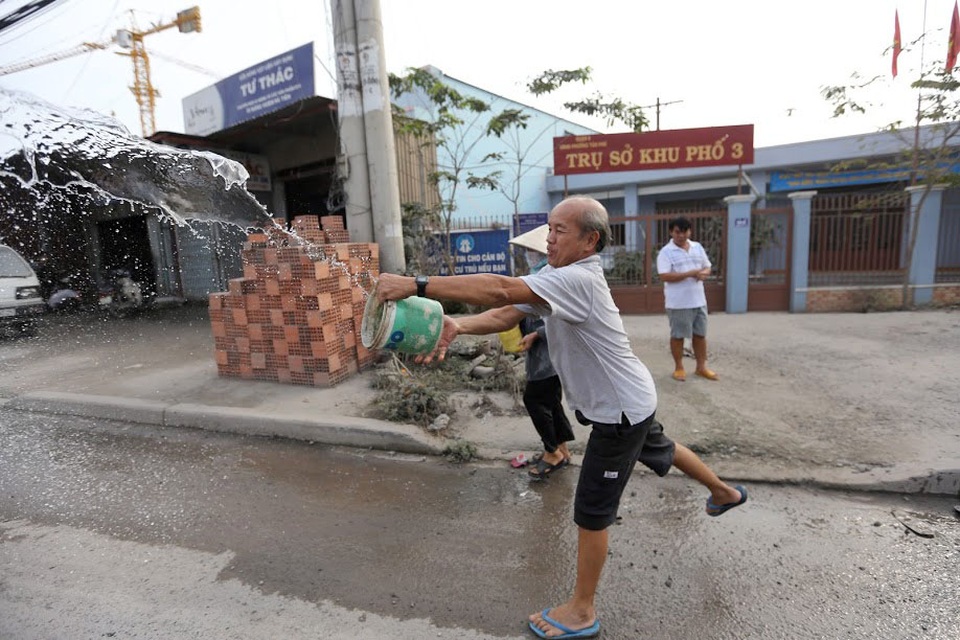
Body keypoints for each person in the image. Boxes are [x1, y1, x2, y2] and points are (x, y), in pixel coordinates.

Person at [376, 196, 746, 639]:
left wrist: (416, 284)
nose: (549, 239)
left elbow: (499, 288)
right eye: (548, 229)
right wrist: (459, 326)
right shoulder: (554, 276)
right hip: (633, 399)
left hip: (619, 413)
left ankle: (582, 610)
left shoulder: (580, 280)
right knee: (661, 449)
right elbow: (505, 311)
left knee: (592, 510)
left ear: (590, 240)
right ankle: (723, 492)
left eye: (559, 231)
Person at [510, 224, 574, 479]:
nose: (529, 256)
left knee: (534, 400)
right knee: (551, 402)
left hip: (547, 358)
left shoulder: (549, 279)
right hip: (547, 357)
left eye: (530, 251)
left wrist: (535, 334)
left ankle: (552, 453)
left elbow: (561, 321)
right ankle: (562, 448)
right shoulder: (540, 276)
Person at [655, 216, 718, 382]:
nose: (681, 235)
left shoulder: (697, 247)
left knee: (700, 335)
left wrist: (704, 273)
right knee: (678, 336)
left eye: (684, 231)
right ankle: (679, 367)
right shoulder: (666, 252)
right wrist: (690, 273)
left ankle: (701, 367)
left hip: (699, 301)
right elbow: (664, 275)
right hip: (678, 303)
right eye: (677, 232)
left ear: (689, 231)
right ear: (671, 232)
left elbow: (707, 266)